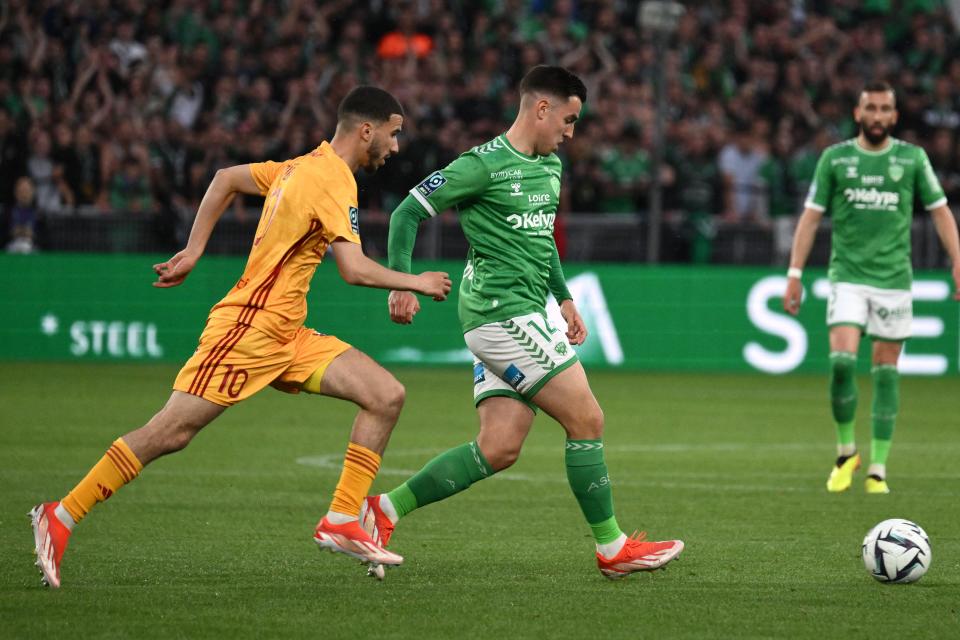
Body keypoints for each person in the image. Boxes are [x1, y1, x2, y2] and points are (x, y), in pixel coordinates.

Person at [29, 86, 453, 588]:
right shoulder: (333, 179)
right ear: (367, 130)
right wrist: (416, 282)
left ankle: (340, 519)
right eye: (394, 132)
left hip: (286, 333)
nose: (396, 145)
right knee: (170, 432)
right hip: (248, 330)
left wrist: (193, 250)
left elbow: (224, 179)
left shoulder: (298, 166)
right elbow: (354, 270)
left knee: (385, 395)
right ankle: (60, 515)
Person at [362, 66, 683, 580]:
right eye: (569, 119)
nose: (570, 133)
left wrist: (565, 298)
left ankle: (384, 510)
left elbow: (540, 241)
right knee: (588, 420)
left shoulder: (550, 166)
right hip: (499, 313)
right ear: (541, 109)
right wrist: (401, 281)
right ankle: (612, 547)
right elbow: (406, 213)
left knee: (499, 447)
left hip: (527, 310)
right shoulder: (481, 165)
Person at [783, 81, 960, 494]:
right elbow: (810, 218)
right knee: (842, 362)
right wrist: (794, 273)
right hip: (847, 276)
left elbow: (940, 212)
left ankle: (877, 467)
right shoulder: (836, 158)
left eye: (885, 109)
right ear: (857, 114)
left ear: (894, 117)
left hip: (894, 280)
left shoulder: (912, 158)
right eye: (871, 108)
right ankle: (847, 451)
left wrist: (958, 259)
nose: (878, 115)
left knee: (886, 372)